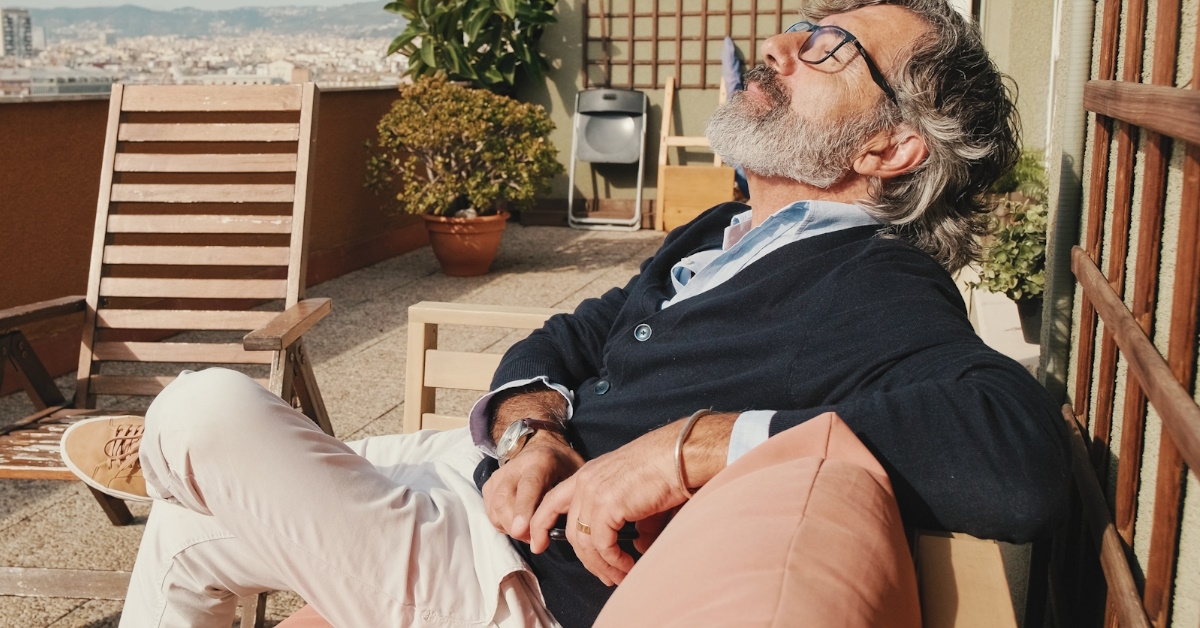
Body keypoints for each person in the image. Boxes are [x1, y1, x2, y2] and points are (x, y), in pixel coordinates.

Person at [61, 1, 1069, 626]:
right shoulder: (728, 228)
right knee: (192, 535)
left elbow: (1016, 458)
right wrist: (536, 431)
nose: (780, 41)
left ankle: (160, 453)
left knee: (206, 413)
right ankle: (172, 470)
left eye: (829, 47)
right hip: (489, 490)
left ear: (890, 150)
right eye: (802, 25)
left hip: (517, 582)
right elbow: (570, 335)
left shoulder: (875, 284)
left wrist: (698, 445)